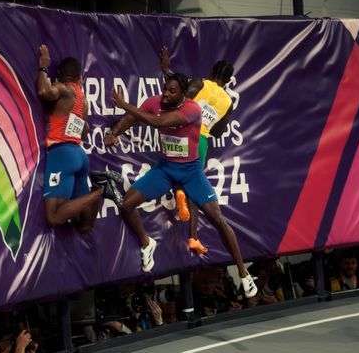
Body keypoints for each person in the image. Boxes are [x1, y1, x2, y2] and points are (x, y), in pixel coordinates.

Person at [105, 73, 257, 298]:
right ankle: (147, 243)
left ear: (183, 94)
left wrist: (124, 103)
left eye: (172, 91)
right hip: (166, 169)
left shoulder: (192, 110)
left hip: (190, 172)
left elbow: (157, 122)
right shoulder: (155, 102)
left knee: (217, 219)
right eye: (165, 89)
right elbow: (131, 119)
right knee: (127, 204)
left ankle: (244, 275)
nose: (166, 94)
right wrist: (114, 133)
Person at [37, 45, 122, 232]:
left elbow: (44, 92)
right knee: (83, 225)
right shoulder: (83, 101)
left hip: (62, 154)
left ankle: (101, 189)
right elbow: (84, 132)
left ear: (60, 74)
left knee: (53, 217)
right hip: (79, 155)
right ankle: (99, 189)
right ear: (79, 78)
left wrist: (43, 67)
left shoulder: (63, 88)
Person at [160, 47, 235, 256]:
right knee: (193, 183)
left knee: (169, 168)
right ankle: (193, 237)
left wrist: (166, 69)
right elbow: (218, 132)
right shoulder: (228, 102)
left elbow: (179, 95)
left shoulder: (202, 83)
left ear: (212, 73)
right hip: (201, 140)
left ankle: (178, 191)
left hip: (183, 132)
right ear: (228, 82)